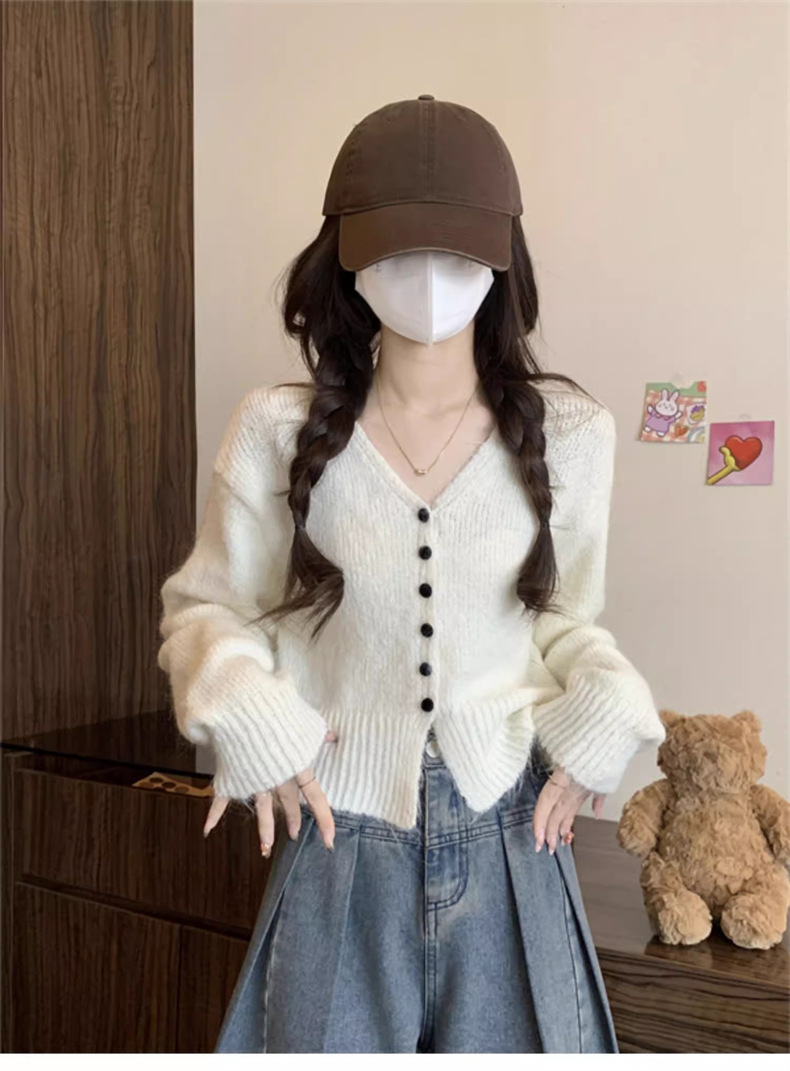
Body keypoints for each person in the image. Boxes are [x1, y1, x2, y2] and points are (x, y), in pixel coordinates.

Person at [156, 96, 666, 1053]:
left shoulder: (572, 435)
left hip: (515, 833)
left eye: (458, 251)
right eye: (397, 249)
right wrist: (250, 716)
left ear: (502, 259)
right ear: (344, 256)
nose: (428, 277)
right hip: (337, 833)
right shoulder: (275, 428)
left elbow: (565, 623)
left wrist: (605, 711)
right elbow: (207, 609)